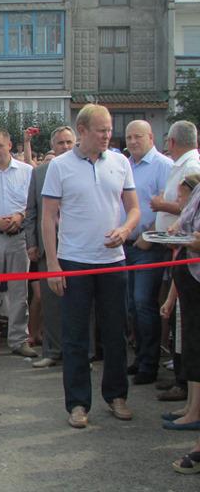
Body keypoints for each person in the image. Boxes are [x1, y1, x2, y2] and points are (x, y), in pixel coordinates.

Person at [42, 104, 140, 429]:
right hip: (74, 262)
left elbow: (134, 209)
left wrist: (125, 230)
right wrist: (53, 264)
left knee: (115, 332)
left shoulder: (120, 162)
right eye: (101, 129)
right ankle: (78, 403)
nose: (108, 135)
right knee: (75, 337)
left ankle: (116, 396)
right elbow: (49, 217)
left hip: (113, 262)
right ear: (82, 131)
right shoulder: (60, 166)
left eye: (110, 129)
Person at [152, 120, 200, 402]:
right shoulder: (182, 164)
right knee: (184, 329)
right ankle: (185, 385)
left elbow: (188, 216)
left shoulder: (191, 166)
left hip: (191, 264)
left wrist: (163, 210)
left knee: (189, 331)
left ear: (170, 141)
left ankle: (185, 385)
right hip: (183, 262)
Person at [122, 121, 173, 385]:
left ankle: (149, 364)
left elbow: (167, 207)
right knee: (131, 305)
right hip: (125, 245)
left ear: (151, 137)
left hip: (148, 248)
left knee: (143, 303)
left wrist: (148, 234)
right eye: (129, 137)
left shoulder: (163, 166)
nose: (132, 141)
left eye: (137, 136)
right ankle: (140, 357)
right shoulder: (125, 164)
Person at [23, 125, 77, 369]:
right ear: (53, 147)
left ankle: (79, 354)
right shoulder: (40, 172)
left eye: (69, 142)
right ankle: (52, 351)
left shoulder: (84, 170)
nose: (65, 147)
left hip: (78, 247)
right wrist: (32, 244)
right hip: (48, 248)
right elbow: (32, 211)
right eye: (60, 143)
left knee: (80, 304)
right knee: (51, 303)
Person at [0, 128, 35, 357]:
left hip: (18, 237)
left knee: (19, 291)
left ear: (9, 145)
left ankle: (19, 339)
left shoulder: (26, 171)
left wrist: (19, 216)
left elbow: (31, 205)